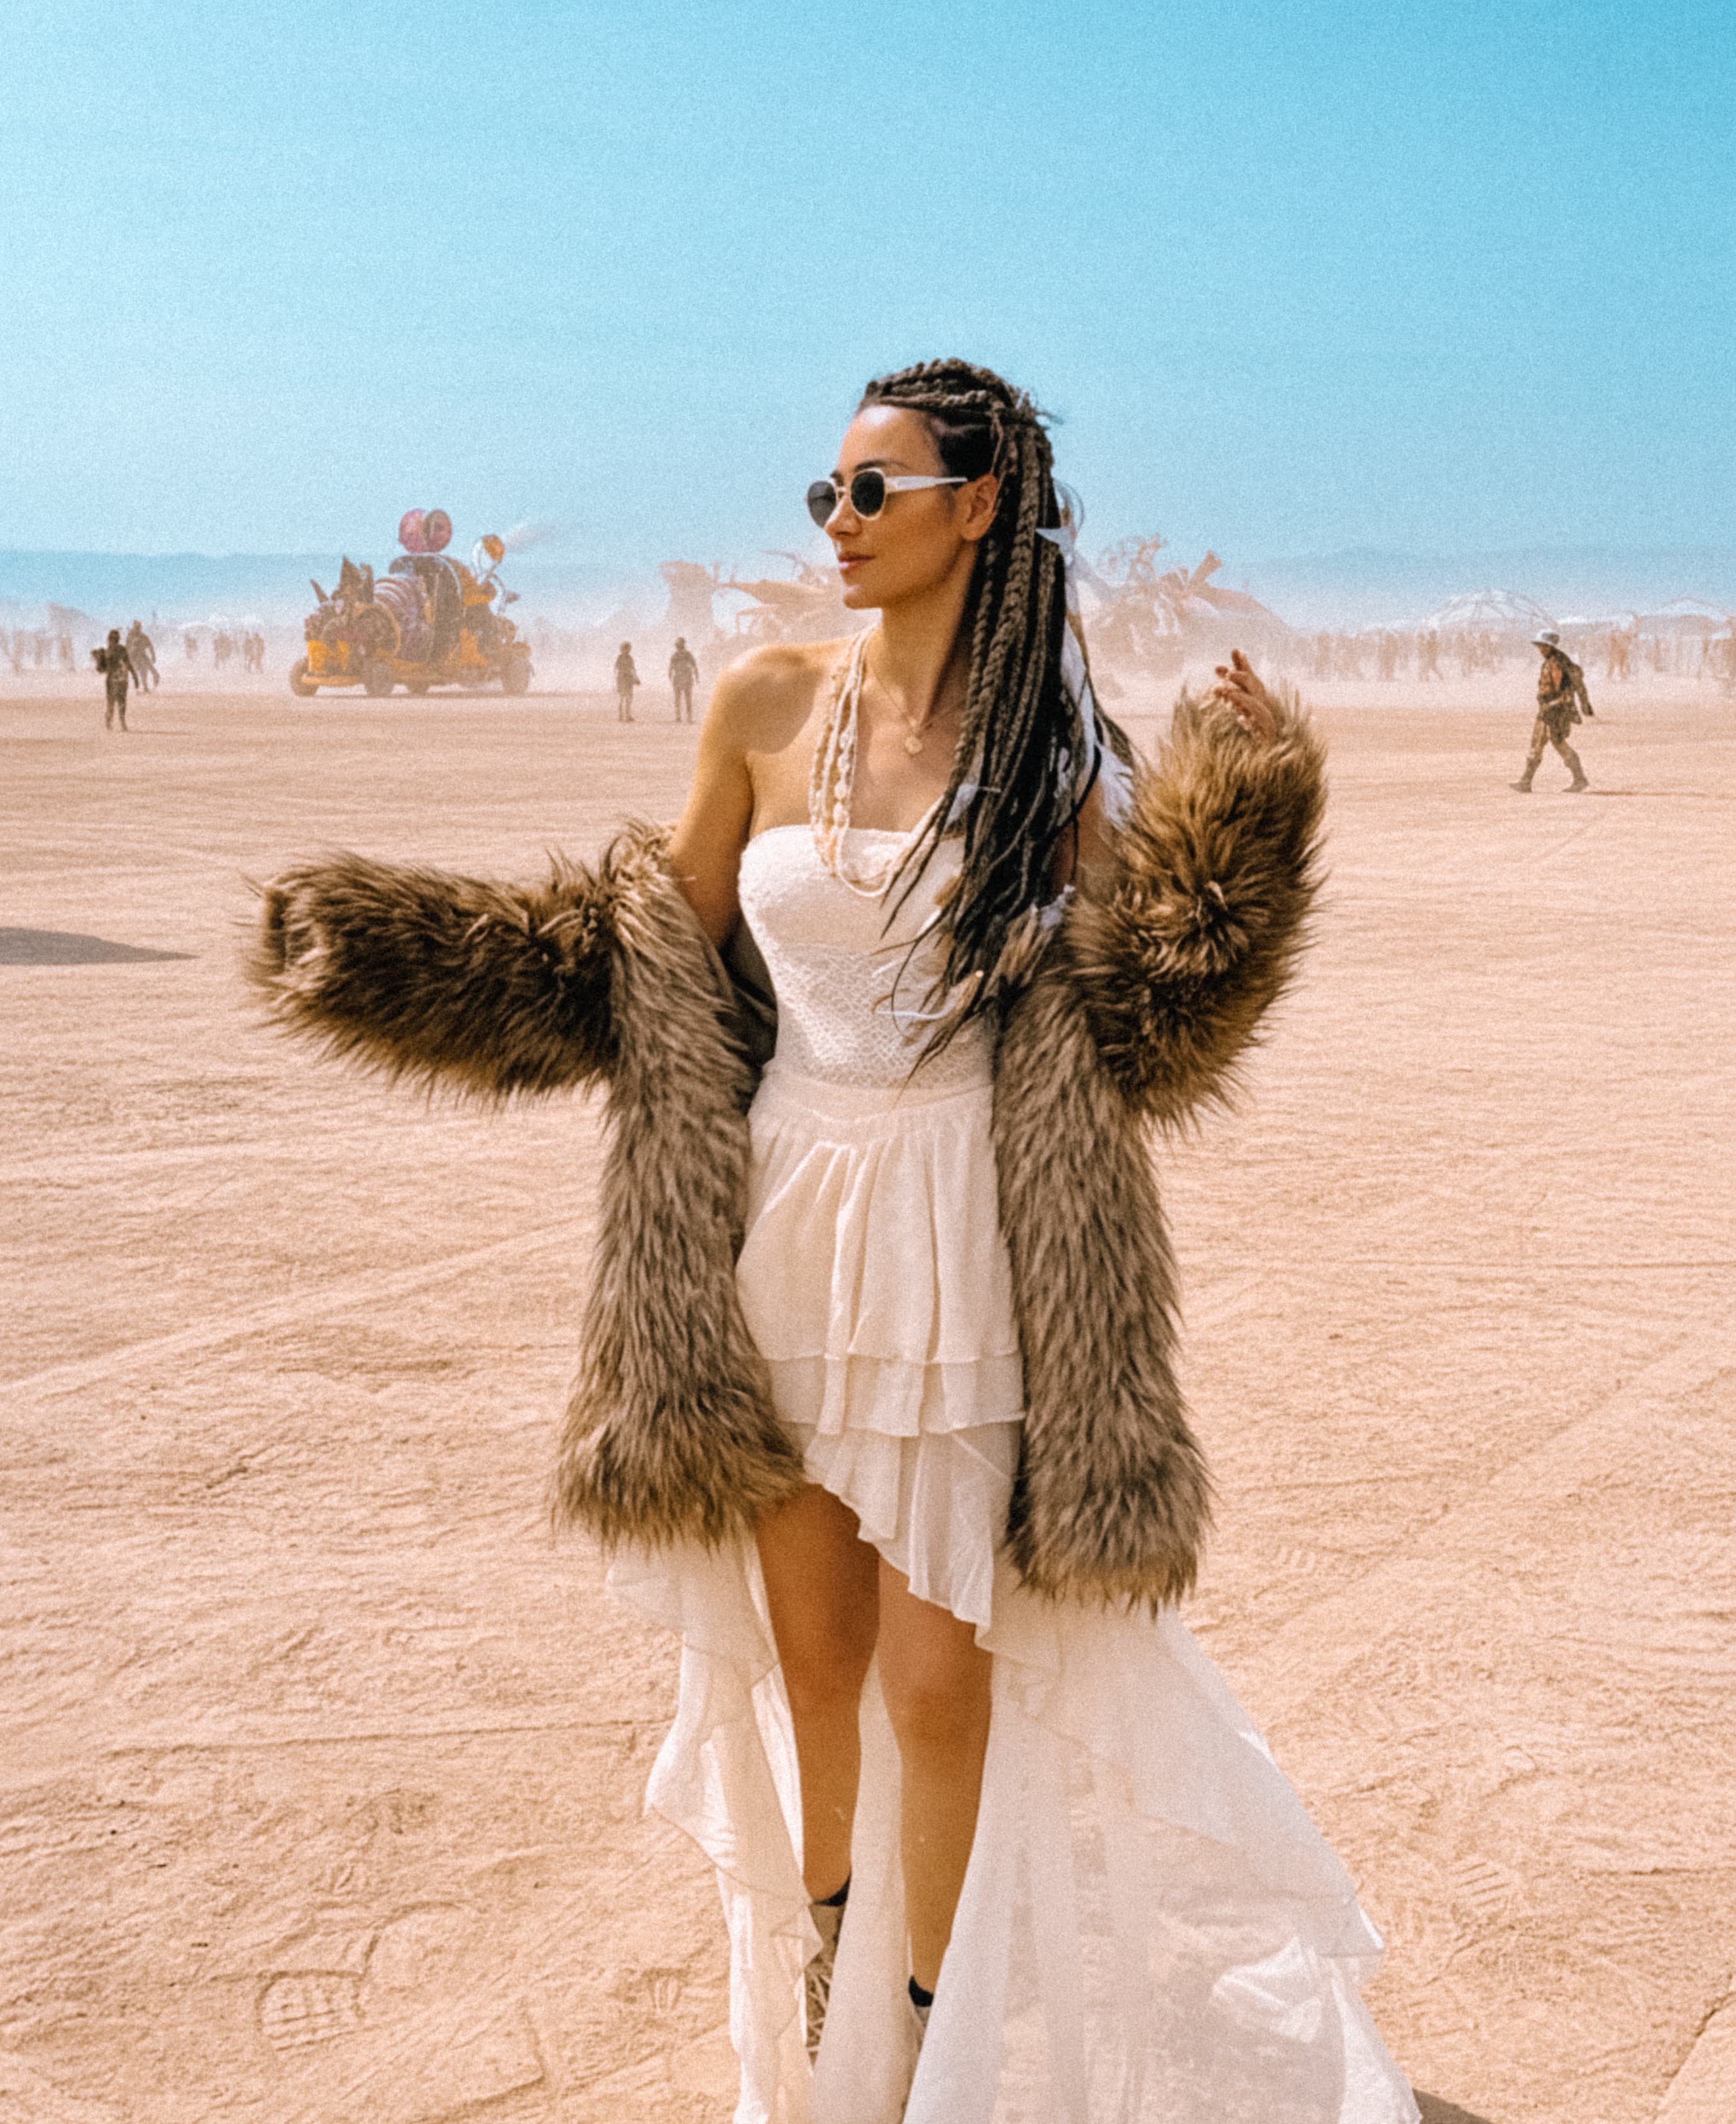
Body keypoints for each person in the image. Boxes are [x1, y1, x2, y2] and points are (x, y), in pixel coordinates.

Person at [253, 359, 1418, 2124]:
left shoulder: (1054, 748)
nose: (837, 522)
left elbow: (1145, 1014)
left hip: (964, 1224)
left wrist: (1236, 819)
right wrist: (398, 949)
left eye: (874, 489)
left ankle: (937, 2028)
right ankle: (835, 1991)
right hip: (780, 1211)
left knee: (941, 1668)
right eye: (826, 491)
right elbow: (632, 949)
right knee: (815, 1653)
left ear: (976, 505)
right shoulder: (758, 700)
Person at [1513, 628, 1593, 791]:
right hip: (1551, 708)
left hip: (1556, 709)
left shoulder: (1559, 662)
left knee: (1548, 742)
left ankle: (1527, 782)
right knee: (1549, 742)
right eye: (1540, 646)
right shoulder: (1554, 661)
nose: (1541, 650)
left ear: (1550, 647)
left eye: (1544, 646)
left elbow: (1577, 683)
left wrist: (1585, 704)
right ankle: (1578, 779)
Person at [94, 630, 133, 730]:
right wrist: (99, 659)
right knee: (116, 702)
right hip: (117, 680)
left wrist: (135, 676)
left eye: (114, 639)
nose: (113, 641)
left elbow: (101, 669)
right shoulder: (109, 652)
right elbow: (101, 669)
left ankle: (116, 723)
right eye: (113, 639)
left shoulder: (111, 652)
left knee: (118, 702)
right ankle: (113, 723)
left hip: (120, 680)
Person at [668, 635, 699, 722]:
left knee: (687, 698)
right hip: (678, 678)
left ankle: (688, 717)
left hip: (686, 678)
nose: (677, 646)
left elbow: (694, 666)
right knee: (678, 698)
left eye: (679, 644)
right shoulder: (675, 655)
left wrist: (697, 676)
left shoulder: (688, 655)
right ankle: (679, 717)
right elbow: (671, 667)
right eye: (677, 644)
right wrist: (670, 675)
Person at [126, 619, 159, 692]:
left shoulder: (143, 636)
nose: (138, 629)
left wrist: (153, 656)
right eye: (137, 627)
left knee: (145, 671)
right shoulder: (130, 636)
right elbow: (127, 647)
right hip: (133, 657)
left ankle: (145, 687)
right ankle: (138, 689)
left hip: (142, 656)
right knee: (137, 672)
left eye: (139, 627)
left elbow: (150, 646)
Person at [613, 640, 640, 722]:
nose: (628, 650)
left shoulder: (630, 658)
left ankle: (628, 715)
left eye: (628, 649)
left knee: (629, 698)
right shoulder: (620, 658)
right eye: (626, 649)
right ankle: (620, 715)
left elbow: (633, 669)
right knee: (622, 697)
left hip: (629, 679)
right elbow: (616, 669)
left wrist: (636, 678)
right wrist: (617, 679)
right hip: (622, 679)